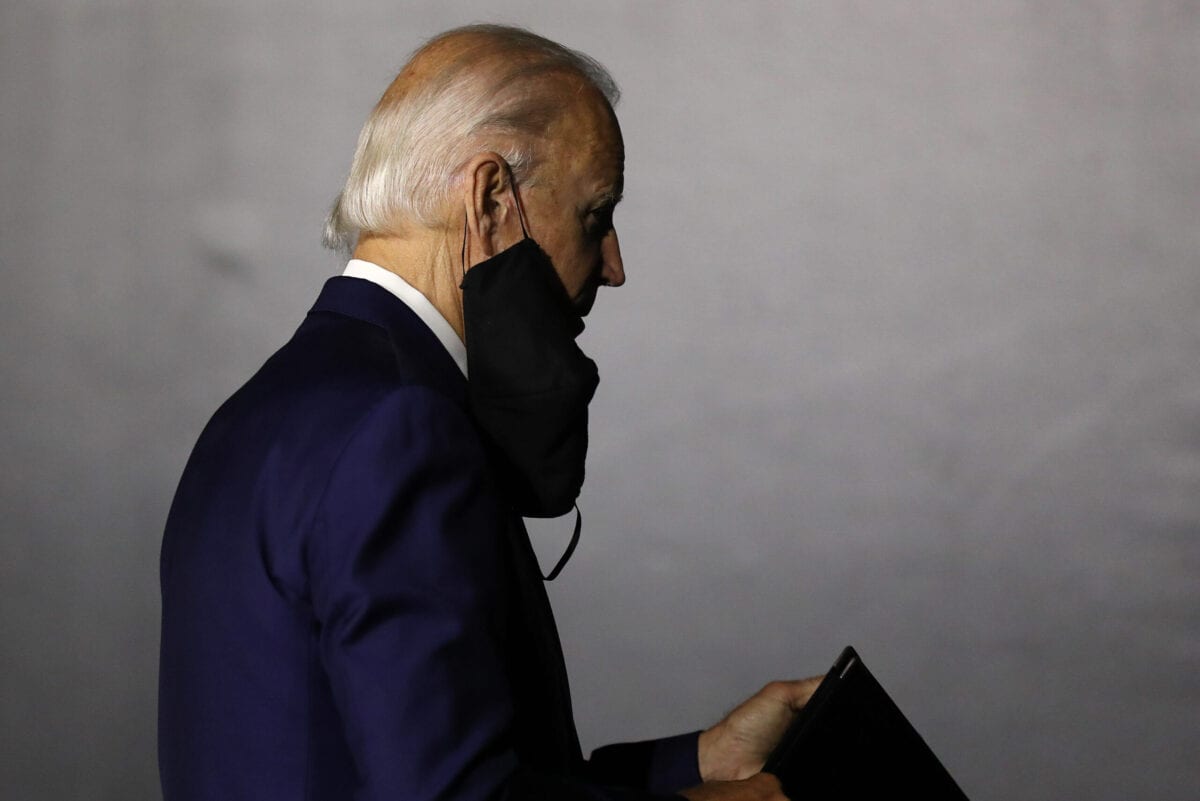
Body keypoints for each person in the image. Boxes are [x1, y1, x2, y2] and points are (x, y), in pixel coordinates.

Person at [159, 24, 818, 801]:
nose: (613, 266)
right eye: (595, 213)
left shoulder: (255, 415)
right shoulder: (400, 429)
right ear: (491, 198)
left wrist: (698, 763)